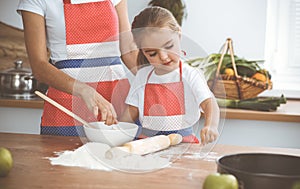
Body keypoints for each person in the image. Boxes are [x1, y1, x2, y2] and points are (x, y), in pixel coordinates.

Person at [17, 0, 138, 136]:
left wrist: (156, 79)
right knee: (63, 156)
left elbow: (129, 50)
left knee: (123, 156)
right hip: (67, 104)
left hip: (116, 99)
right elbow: (39, 66)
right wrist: (84, 90)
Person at [120, 7, 220, 145]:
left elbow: (209, 103)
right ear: (143, 52)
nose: (163, 56)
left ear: (178, 35)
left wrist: (211, 125)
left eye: (168, 46)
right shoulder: (143, 76)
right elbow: (132, 111)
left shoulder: (190, 75)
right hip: (148, 142)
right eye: (152, 53)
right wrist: (118, 130)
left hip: (183, 143)